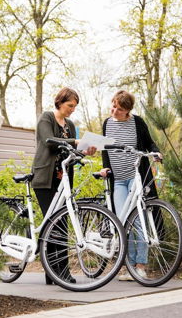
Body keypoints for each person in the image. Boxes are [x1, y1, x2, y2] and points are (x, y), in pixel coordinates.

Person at [31, 87, 96, 285]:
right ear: (59, 102)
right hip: (45, 178)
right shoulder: (46, 118)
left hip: (64, 179)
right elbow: (50, 142)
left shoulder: (70, 124)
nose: (72, 109)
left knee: (61, 223)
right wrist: (76, 141)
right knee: (54, 224)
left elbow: (72, 150)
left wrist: (86, 151)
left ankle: (52, 272)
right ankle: (60, 271)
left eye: (75, 106)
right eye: (70, 105)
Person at [100, 90, 162, 281]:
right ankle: (129, 267)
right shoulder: (107, 123)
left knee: (138, 221)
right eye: (113, 106)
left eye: (119, 109)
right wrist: (105, 168)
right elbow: (105, 149)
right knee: (123, 222)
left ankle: (140, 266)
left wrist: (156, 153)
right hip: (118, 179)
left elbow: (149, 144)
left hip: (136, 178)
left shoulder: (137, 122)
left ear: (127, 111)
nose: (114, 111)